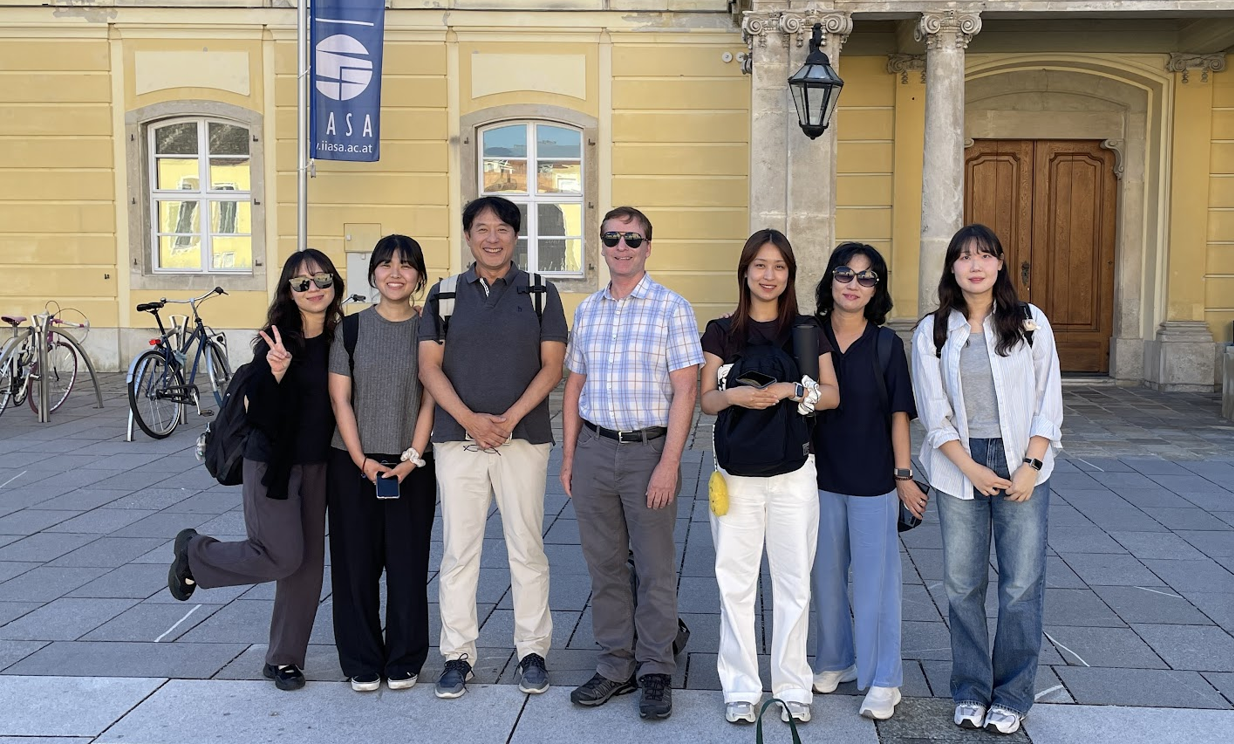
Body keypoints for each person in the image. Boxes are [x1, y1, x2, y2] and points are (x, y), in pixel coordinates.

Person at [167, 249, 343, 692]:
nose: (313, 288)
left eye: (320, 278)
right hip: (273, 465)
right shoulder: (275, 340)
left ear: (334, 283)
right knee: (281, 554)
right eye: (302, 283)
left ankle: (283, 659)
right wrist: (277, 374)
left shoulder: (345, 337)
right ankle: (195, 554)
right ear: (289, 291)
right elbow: (258, 413)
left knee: (306, 568)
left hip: (322, 464)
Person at [911, 224, 1063, 735]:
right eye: (964, 256)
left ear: (1000, 264)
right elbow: (934, 415)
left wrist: (1031, 466)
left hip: (1021, 460)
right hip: (961, 465)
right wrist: (971, 468)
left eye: (985, 255)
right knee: (962, 583)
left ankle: (1013, 694)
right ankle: (971, 689)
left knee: (1021, 584)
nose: (974, 264)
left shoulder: (1029, 323)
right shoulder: (933, 330)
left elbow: (1049, 400)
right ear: (952, 267)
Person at [419, 195, 568, 699]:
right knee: (460, 551)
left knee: (527, 547)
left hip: (522, 439)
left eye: (502, 228)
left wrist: (507, 419)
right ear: (467, 237)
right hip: (458, 442)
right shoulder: (443, 294)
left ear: (516, 236)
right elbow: (429, 367)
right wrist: (471, 422)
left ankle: (532, 650)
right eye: (481, 229)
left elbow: (552, 367)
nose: (492, 237)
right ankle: (457, 655)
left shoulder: (541, 292)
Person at [560, 206, 704, 719]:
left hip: (648, 452)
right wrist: (571, 455)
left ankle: (656, 668)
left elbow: (686, 390)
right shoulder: (588, 311)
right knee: (604, 566)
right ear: (601, 245)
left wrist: (669, 464)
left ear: (648, 246)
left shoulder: (672, 308)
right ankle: (615, 663)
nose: (622, 246)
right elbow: (574, 385)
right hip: (596, 450)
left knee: (654, 565)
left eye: (633, 238)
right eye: (613, 238)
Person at [699, 229, 840, 726]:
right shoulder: (721, 330)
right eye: (760, 265)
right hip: (735, 474)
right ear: (744, 271)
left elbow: (831, 395)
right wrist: (736, 396)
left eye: (779, 266)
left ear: (790, 275)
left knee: (792, 582)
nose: (768, 275)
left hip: (793, 472)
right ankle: (740, 687)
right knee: (734, 581)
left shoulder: (805, 330)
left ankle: (791, 685)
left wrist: (787, 390)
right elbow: (706, 399)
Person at [809, 243, 922, 721]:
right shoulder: (808, 337)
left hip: (874, 479)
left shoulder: (886, 344)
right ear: (830, 281)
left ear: (877, 289)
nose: (853, 284)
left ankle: (883, 678)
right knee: (825, 577)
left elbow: (899, 415)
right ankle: (837, 659)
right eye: (845, 274)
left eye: (866, 277)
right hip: (817, 476)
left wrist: (903, 476)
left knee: (877, 584)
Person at [326, 235, 437, 692]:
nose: (396, 273)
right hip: (353, 464)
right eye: (386, 264)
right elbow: (340, 398)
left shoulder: (432, 330)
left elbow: (433, 398)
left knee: (409, 566)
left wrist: (410, 460)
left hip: (413, 465)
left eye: (407, 265)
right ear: (372, 273)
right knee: (355, 566)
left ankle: (406, 656)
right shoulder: (349, 329)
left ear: (419, 276)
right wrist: (362, 461)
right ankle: (360, 658)